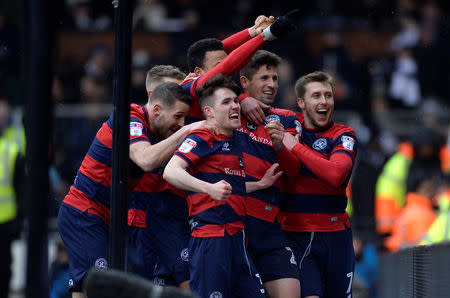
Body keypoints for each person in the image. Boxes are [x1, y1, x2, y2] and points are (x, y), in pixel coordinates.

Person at [57, 82, 210, 298]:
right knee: (99, 287)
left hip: (104, 218)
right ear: (156, 110)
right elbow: (146, 160)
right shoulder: (130, 119)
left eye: (184, 119)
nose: (181, 123)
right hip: (85, 213)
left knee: (88, 287)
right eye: (177, 117)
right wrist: (186, 131)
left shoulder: (157, 129)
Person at [164, 75, 271, 298]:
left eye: (235, 101)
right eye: (226, 102)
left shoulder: (235, 140)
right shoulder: (203, 135)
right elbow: (171, 171)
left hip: (238, 238)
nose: (234, 106)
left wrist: (260, 184)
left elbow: (230, 186)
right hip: (211, 239)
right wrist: (208, 188)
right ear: (209, 112)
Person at [266, 71, 358, 298]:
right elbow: (255, 106)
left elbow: (336, 175)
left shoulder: (344, 134)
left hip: (336, 235)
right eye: (316, 96)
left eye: (328, 95)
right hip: (297, 234)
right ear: (302, 103)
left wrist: (295, 148)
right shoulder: (288, 127)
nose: (324, 101)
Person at [237, 50, 300, 297]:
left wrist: (279, 146)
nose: (272, 84)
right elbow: (202, 86)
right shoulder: (229, 111)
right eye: (264, 78)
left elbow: (293, 169)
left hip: (270, 228)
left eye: (274, 78)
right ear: (245, 81)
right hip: (234, 224)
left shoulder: (286, 118)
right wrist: (241, 99)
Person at [126, 65, 192, 290]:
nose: (177, 96)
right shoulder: (136, 124)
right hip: (142, 223)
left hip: (176, 218)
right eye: (169, 90)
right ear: (154, 98)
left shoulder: (178, 122)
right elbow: (145, 160)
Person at [181, 10, 299, 124]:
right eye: (218, 65)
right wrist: (266, 35)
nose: (231, 72)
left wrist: (253, 31)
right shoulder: (189, 87)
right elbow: (226, 66)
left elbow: (220, 49)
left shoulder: (229, 92)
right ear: (198, 72)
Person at [0, 96, 25, 298]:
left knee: (4, 270)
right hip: (7, 220)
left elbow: (21, 190)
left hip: (6, 222)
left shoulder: (11, 150)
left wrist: (18, 220)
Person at [384, 169, 437, 251]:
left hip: (403, 260)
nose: (433, 192)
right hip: (416, 261)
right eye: (429, 188)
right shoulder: (422, 214)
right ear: (422, 189)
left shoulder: (407, 210)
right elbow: (424, 250)